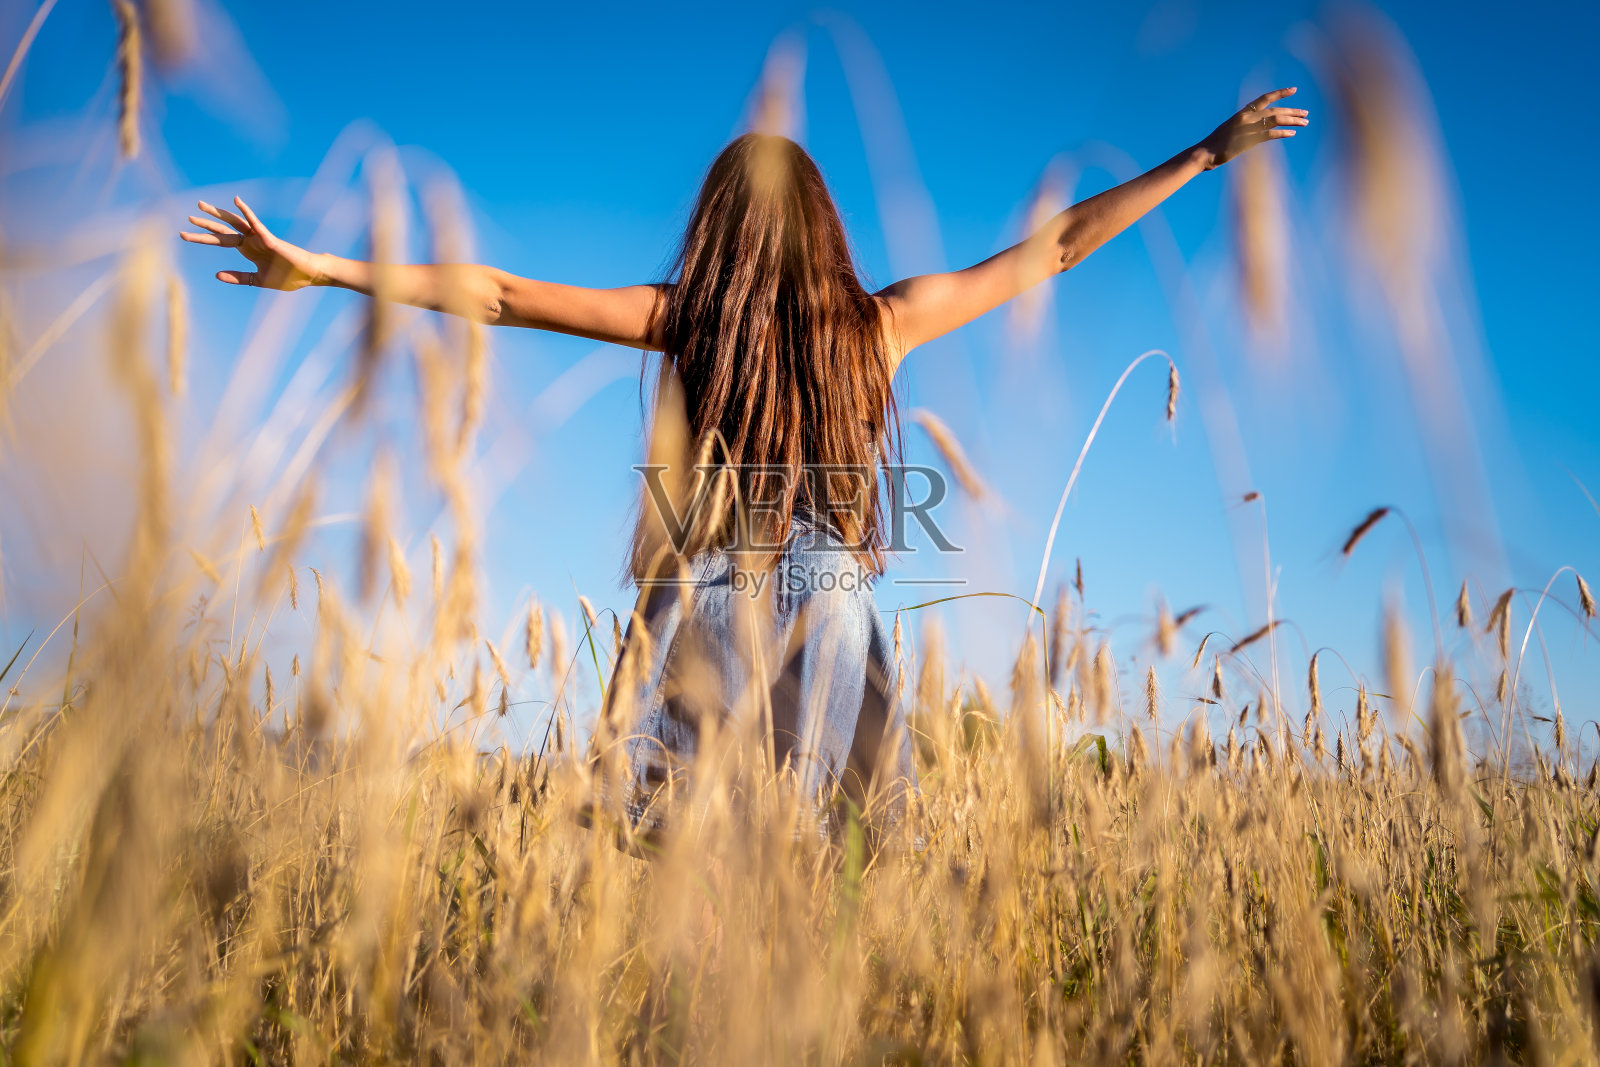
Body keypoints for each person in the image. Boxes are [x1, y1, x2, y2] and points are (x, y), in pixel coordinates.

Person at [180, 86, 1308, 846]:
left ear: (716, 228)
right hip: (834, 597)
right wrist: (1206, 154)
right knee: (823, 857)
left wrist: (323, 266)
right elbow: (1054, 248)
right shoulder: (882, 324)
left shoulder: (685, 318)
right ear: (825, 228)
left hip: (701, 585)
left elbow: (498, 295)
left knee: (669, 856)